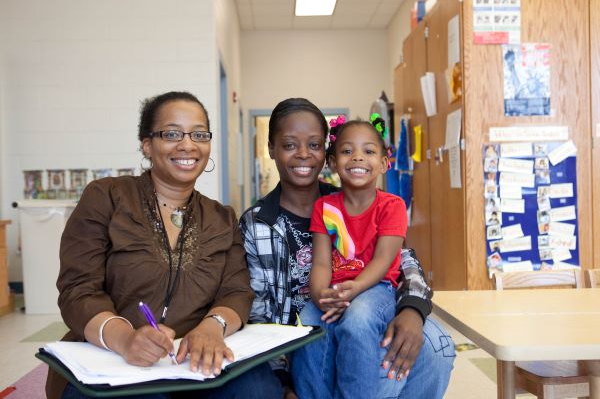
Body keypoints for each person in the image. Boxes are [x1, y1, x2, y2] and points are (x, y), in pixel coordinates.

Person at [47, 91, 283, 399]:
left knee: (259, 388)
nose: (187, 145)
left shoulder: (221, 217)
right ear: (147, 145)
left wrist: (212, 327)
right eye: (172, 134)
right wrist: (126, 339)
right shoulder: (106, 198)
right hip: (111, 359)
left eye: (199, 134)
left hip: (191, 361)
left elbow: (236, 291)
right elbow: (77, 289)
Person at [240, 98, 455, 399]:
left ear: (324, 154)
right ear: (271, 148)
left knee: (435, 344)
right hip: (309, 327)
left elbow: (402, 259)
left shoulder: (355, 197)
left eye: (314, 145)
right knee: (325, 336)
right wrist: (281, 380)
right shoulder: (259, 223)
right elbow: (259, 312)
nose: (303, 154)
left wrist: (413, 309)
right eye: (290, 145)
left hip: (370, 304)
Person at [292, 115, 409, 398]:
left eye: (368, 151)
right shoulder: (325, 207)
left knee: (357, 320)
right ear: (333, 163)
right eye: (347, 151)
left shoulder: (392, 206)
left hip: (376, 289)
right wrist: (320, 294)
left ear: (384, 163)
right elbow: (320, 262)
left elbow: (383, 261)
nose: (357, 158)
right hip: (335, 289)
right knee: (308, 322)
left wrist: (356, 288)